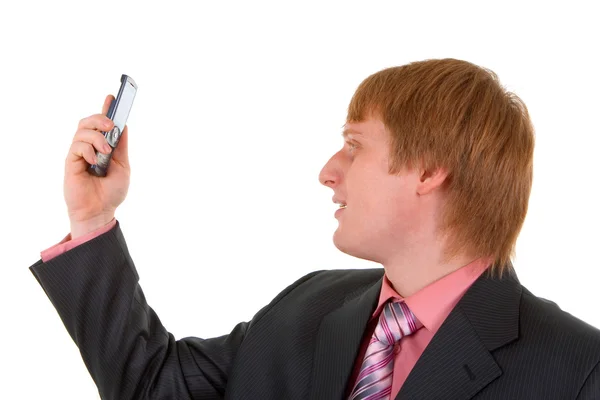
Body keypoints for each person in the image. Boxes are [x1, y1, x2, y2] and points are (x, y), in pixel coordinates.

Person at [30, 58, 600, 400]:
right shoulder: (313, 303)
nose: (328, 171)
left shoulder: (576, 368)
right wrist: (93, 219)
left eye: (354, 146)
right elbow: (155, 387)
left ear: (429, 170)